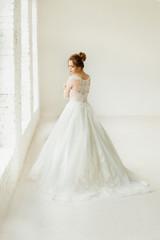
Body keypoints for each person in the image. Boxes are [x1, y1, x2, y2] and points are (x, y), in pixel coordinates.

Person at [28, 52, 151, 201]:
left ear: (79, 66)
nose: (70, 69)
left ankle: (72, 171)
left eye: (72, 66)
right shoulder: (88, 77)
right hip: (85, 109)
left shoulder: (72, 79)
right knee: (89, 139)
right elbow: (85, 92)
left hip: (74, 110)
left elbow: (66, 96)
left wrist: (65, 87)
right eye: (69, 66)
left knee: (70, 140)